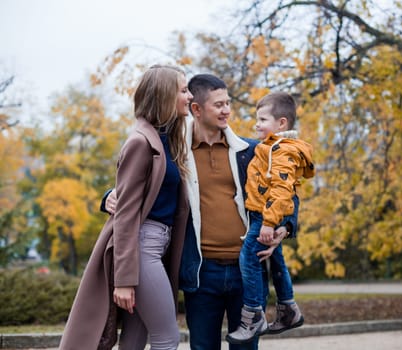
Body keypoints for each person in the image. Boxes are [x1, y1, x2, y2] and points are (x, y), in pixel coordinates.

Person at [105, 73, 298, 350]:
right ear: (196, 109)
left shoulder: (251, 151)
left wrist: (286, 226)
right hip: (200, 273)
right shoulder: (173, 153)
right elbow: (138, 182)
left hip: (247, 271)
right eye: (219, 105)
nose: (227, 110)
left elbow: (288, 189)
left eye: (228, 103)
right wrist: (109, 196)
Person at [59, 64, 192, 350]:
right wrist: (124, 280)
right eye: (183, 90)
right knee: (167, 337)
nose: (189, 96)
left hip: (158, 246)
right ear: (165, 96)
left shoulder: (168, 140)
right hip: (142, 249)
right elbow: (128, 214)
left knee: (134, 339)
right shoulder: (140, 143)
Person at [226, 92, 315, 344]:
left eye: (262, 119)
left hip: (264, 216)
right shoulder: (271, 147)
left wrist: (268, 223)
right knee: (276, 259)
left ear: (282, 123)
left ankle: (253, 315)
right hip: (266, 214)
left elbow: (283, 189)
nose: (257, 125)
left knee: (248, 257)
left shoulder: (281, 151)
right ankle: (288, 308)